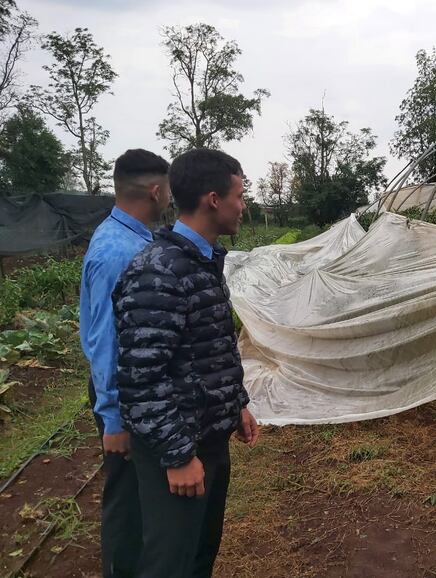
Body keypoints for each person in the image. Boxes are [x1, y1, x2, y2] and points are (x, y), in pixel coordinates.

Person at [112, 148, 260, 578]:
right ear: (214, 199)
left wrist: (237, 403)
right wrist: (177, 456)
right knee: (169, 562)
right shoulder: (159, 271)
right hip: (176, 449)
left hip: (207, 440)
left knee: (198, 554)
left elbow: (212, 348)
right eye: (239, 194)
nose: (243, 205)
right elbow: (140, 377)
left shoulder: (201, 262)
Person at [79, 149, 171, 577]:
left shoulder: (135, 240)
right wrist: (113, 418)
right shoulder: (117, 251)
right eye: (168, 190)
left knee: (139, 496)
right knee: (125, 498)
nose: (170, 198)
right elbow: (103, 339)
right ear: (155, 191)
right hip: (121, 393)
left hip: (133, 390)